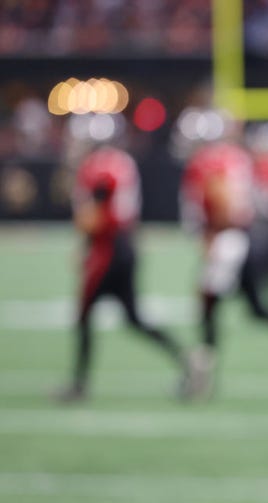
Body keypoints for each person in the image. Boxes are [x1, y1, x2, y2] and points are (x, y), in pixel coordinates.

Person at [180, 139, 268, 394]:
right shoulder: (237, 156)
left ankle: (201, 376)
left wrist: (212, 237)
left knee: (208, 306)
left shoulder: (209, 163)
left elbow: (223, 203)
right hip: (246, 238)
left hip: (229, 241)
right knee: (257, 310)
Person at [58, 145, 193, 402]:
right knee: (132, 318)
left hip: (107, 249)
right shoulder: (122, 161)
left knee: (85, 314)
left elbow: (95, 212)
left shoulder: (100, 166)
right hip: (125, 245)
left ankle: (78, 385)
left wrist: (83, 245)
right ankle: (185, 357)